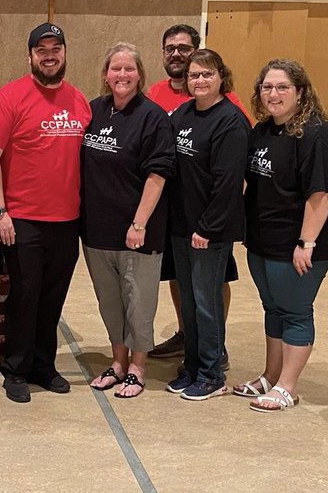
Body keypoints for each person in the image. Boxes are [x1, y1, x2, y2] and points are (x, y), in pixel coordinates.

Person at [0, 22, 91, 403]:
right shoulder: (10, 97)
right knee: (24, 296)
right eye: (41, 49)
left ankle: (44, 365)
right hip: (22, 219)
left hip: (67, 220)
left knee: (53, 297)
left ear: (64, 53)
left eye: (55, 48)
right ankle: (16, 368)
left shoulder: (79, 102)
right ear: (30, 55)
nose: (49, 55)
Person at [233, 59, 328, 413]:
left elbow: (321, 193)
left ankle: (287, 387)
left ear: (300, 92)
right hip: (264, 240)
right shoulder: (264, 130)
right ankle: (271, 375)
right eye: (267, 87)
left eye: (282, 87)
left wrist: (305, 243)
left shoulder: (315, 133)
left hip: (298, 245)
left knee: (294, 311)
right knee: (272, 309)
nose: (273, 94)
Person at [145, 24, 245, 366]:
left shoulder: (227, 109)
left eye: (183, 48)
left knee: (211, 286)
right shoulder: (160, 96)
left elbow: (229, 173)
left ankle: (215, 351)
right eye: (169, 48)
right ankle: (190, 339)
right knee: (182, 284)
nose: (176, 53)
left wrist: (210, 223)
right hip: (176, 216)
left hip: (209, 220)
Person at [80, 43, 174, 399]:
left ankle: (137, 367)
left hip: (136, 232)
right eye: (115, 69)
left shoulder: (152, 117)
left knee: (139, 301)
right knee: (110, 302)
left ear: (139, 75)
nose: (122, 75)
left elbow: (158, 174)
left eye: (129, 69)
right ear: (105, 74)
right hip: (96, 230)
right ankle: (117, 362)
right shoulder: (94, 111)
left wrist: (139, 224)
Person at [163, 49, 250, 401]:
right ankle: (193, 365)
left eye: (207, 74)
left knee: (206, 301)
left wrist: (207, 228)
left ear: (221, 77)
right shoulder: (182, 113)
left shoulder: (230, 121)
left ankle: (212, 373)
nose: (200, 80)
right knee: (187, 302)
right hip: (180, 226)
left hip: (208, 230)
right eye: (194, 75)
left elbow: (228, 183)